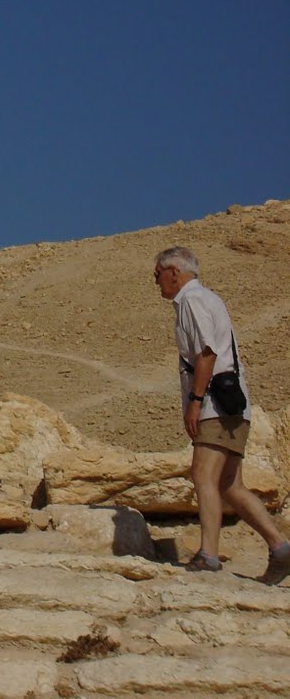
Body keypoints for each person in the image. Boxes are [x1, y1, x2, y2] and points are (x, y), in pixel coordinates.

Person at [154, 246, 289, 583]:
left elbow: (207, 353)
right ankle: (280, 547)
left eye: (157, 274)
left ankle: (209, 556)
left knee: (203, 475)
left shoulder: (191, 301)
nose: (155, 282)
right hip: (234, 404)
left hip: (215, 403)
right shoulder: (208, 299)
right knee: (230, 484)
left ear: (174, 271)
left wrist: (196, 401)